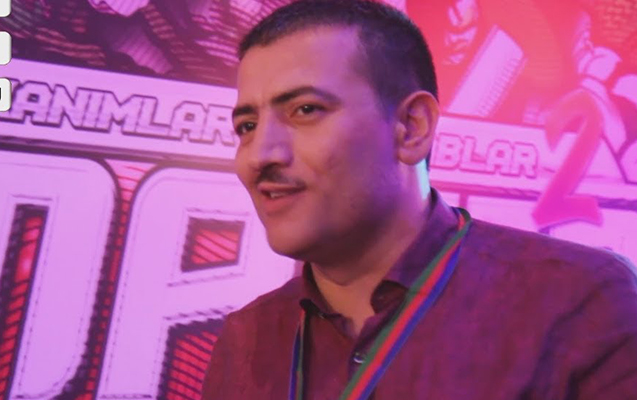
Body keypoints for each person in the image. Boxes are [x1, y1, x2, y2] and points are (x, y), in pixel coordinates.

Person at [201, 0, 637, 398]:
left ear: (412, 127)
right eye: (247, 126)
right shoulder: (247, 338)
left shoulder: (580, 301)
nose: (259, 155)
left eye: (305, 110)